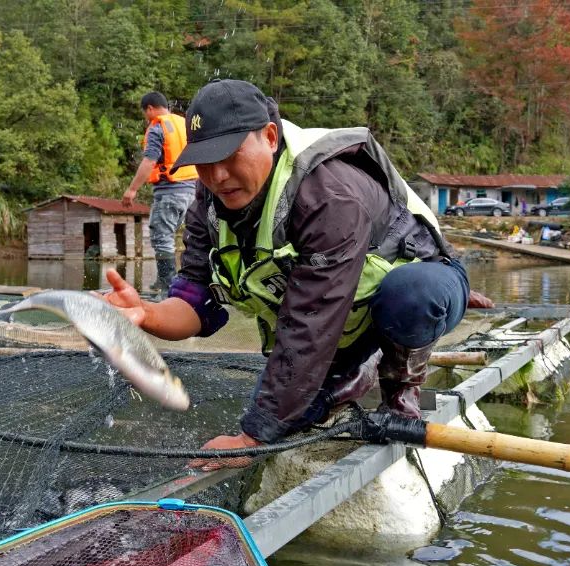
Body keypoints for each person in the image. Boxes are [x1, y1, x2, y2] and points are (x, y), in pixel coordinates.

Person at [104, 79, 493, 470]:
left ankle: (400, 388)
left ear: (270, 137)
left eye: (231, 155)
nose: (218, 175)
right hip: (340, 317)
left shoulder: (326, 196)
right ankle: (357, 367)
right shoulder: (207, 205)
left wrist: (251, 437)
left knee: (412, 295)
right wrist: (146, 314)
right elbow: (196, 304)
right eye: (205, 161)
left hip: (417, 287)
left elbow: (309, 326)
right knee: (306, 410)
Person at [121, 91, 198, 292]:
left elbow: (149, 161)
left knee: (161, 236)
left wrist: (132, 189)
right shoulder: (184, 124)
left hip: (170, 191)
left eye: (145, 112)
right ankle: (190, 281)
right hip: (192, 192)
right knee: (190, 237)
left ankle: (167, 284)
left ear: (150, 109)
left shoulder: (157, 128)